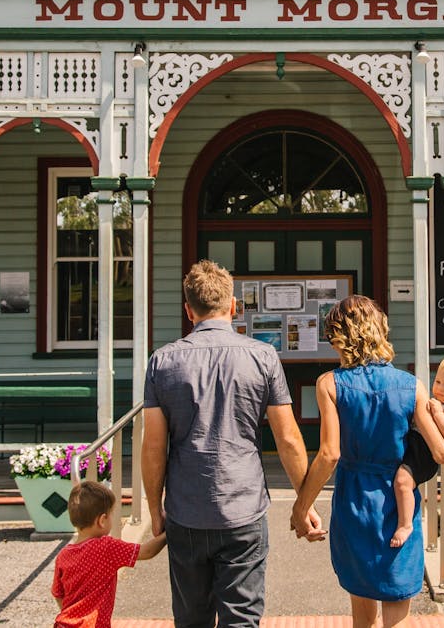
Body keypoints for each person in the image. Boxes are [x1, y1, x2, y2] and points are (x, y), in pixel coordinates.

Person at [142, 260, 321, 628]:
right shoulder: (263, 356)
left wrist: (154, 507)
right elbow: (288, 439)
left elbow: (153, 447)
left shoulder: (162, 361)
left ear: (188, 310)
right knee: (241, 620)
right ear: (234, 306)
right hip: (243, 507)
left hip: (186, 510)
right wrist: (304, 503)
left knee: (191, 620)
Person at [290, 294, 444, 628]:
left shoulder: (329, 384)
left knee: (362, 612)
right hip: (397, 501)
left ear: (339, 337)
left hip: (355, 501)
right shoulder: (412, 386)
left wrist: (301, 507)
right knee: (397, 606)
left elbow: (329, 454)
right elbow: (440, 452)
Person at [51, 480, 166, 628]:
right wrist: (168, 533)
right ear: (102, 520)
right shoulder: (107, 547)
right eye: (111, 514)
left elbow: (58, 594)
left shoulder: (63, 555)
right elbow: (146, 551)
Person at [390, 353, 444, 547]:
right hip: (412, 445)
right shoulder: (434, 402)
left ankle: (405, 525)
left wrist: (438, 413)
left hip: (424, 456)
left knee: (402, 482)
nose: (440, 388)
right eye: (437, 382)